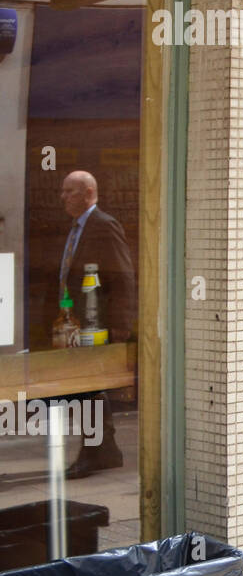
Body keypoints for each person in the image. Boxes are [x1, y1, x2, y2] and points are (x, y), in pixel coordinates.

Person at [49, 170, 135, 478]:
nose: (63, 197)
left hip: (95, 322)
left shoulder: (103, 226)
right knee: (86, 388)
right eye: (63, 191)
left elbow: (122, 276)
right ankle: (104, 449)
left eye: (69, 191)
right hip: (74, 322)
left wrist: (122, 323)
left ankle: (97, 451)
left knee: (90, 389)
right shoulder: (73, 228)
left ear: (88, 193)